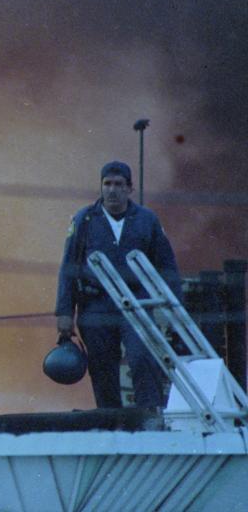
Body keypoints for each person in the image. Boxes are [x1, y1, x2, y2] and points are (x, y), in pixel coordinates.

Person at [55, 160, 182, 408]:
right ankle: (111, 423)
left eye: (118, 184)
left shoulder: (146, 220)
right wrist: (64, 313)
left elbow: (167, 266)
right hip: (95, 306)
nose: (112, 190)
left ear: (129, 189)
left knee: (144, 358)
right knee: (102, 368)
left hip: (137, 303)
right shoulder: (85, 220)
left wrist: (177, 309)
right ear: (101, 187)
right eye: (107, 184)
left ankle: (148, 418)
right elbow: (68, 267)